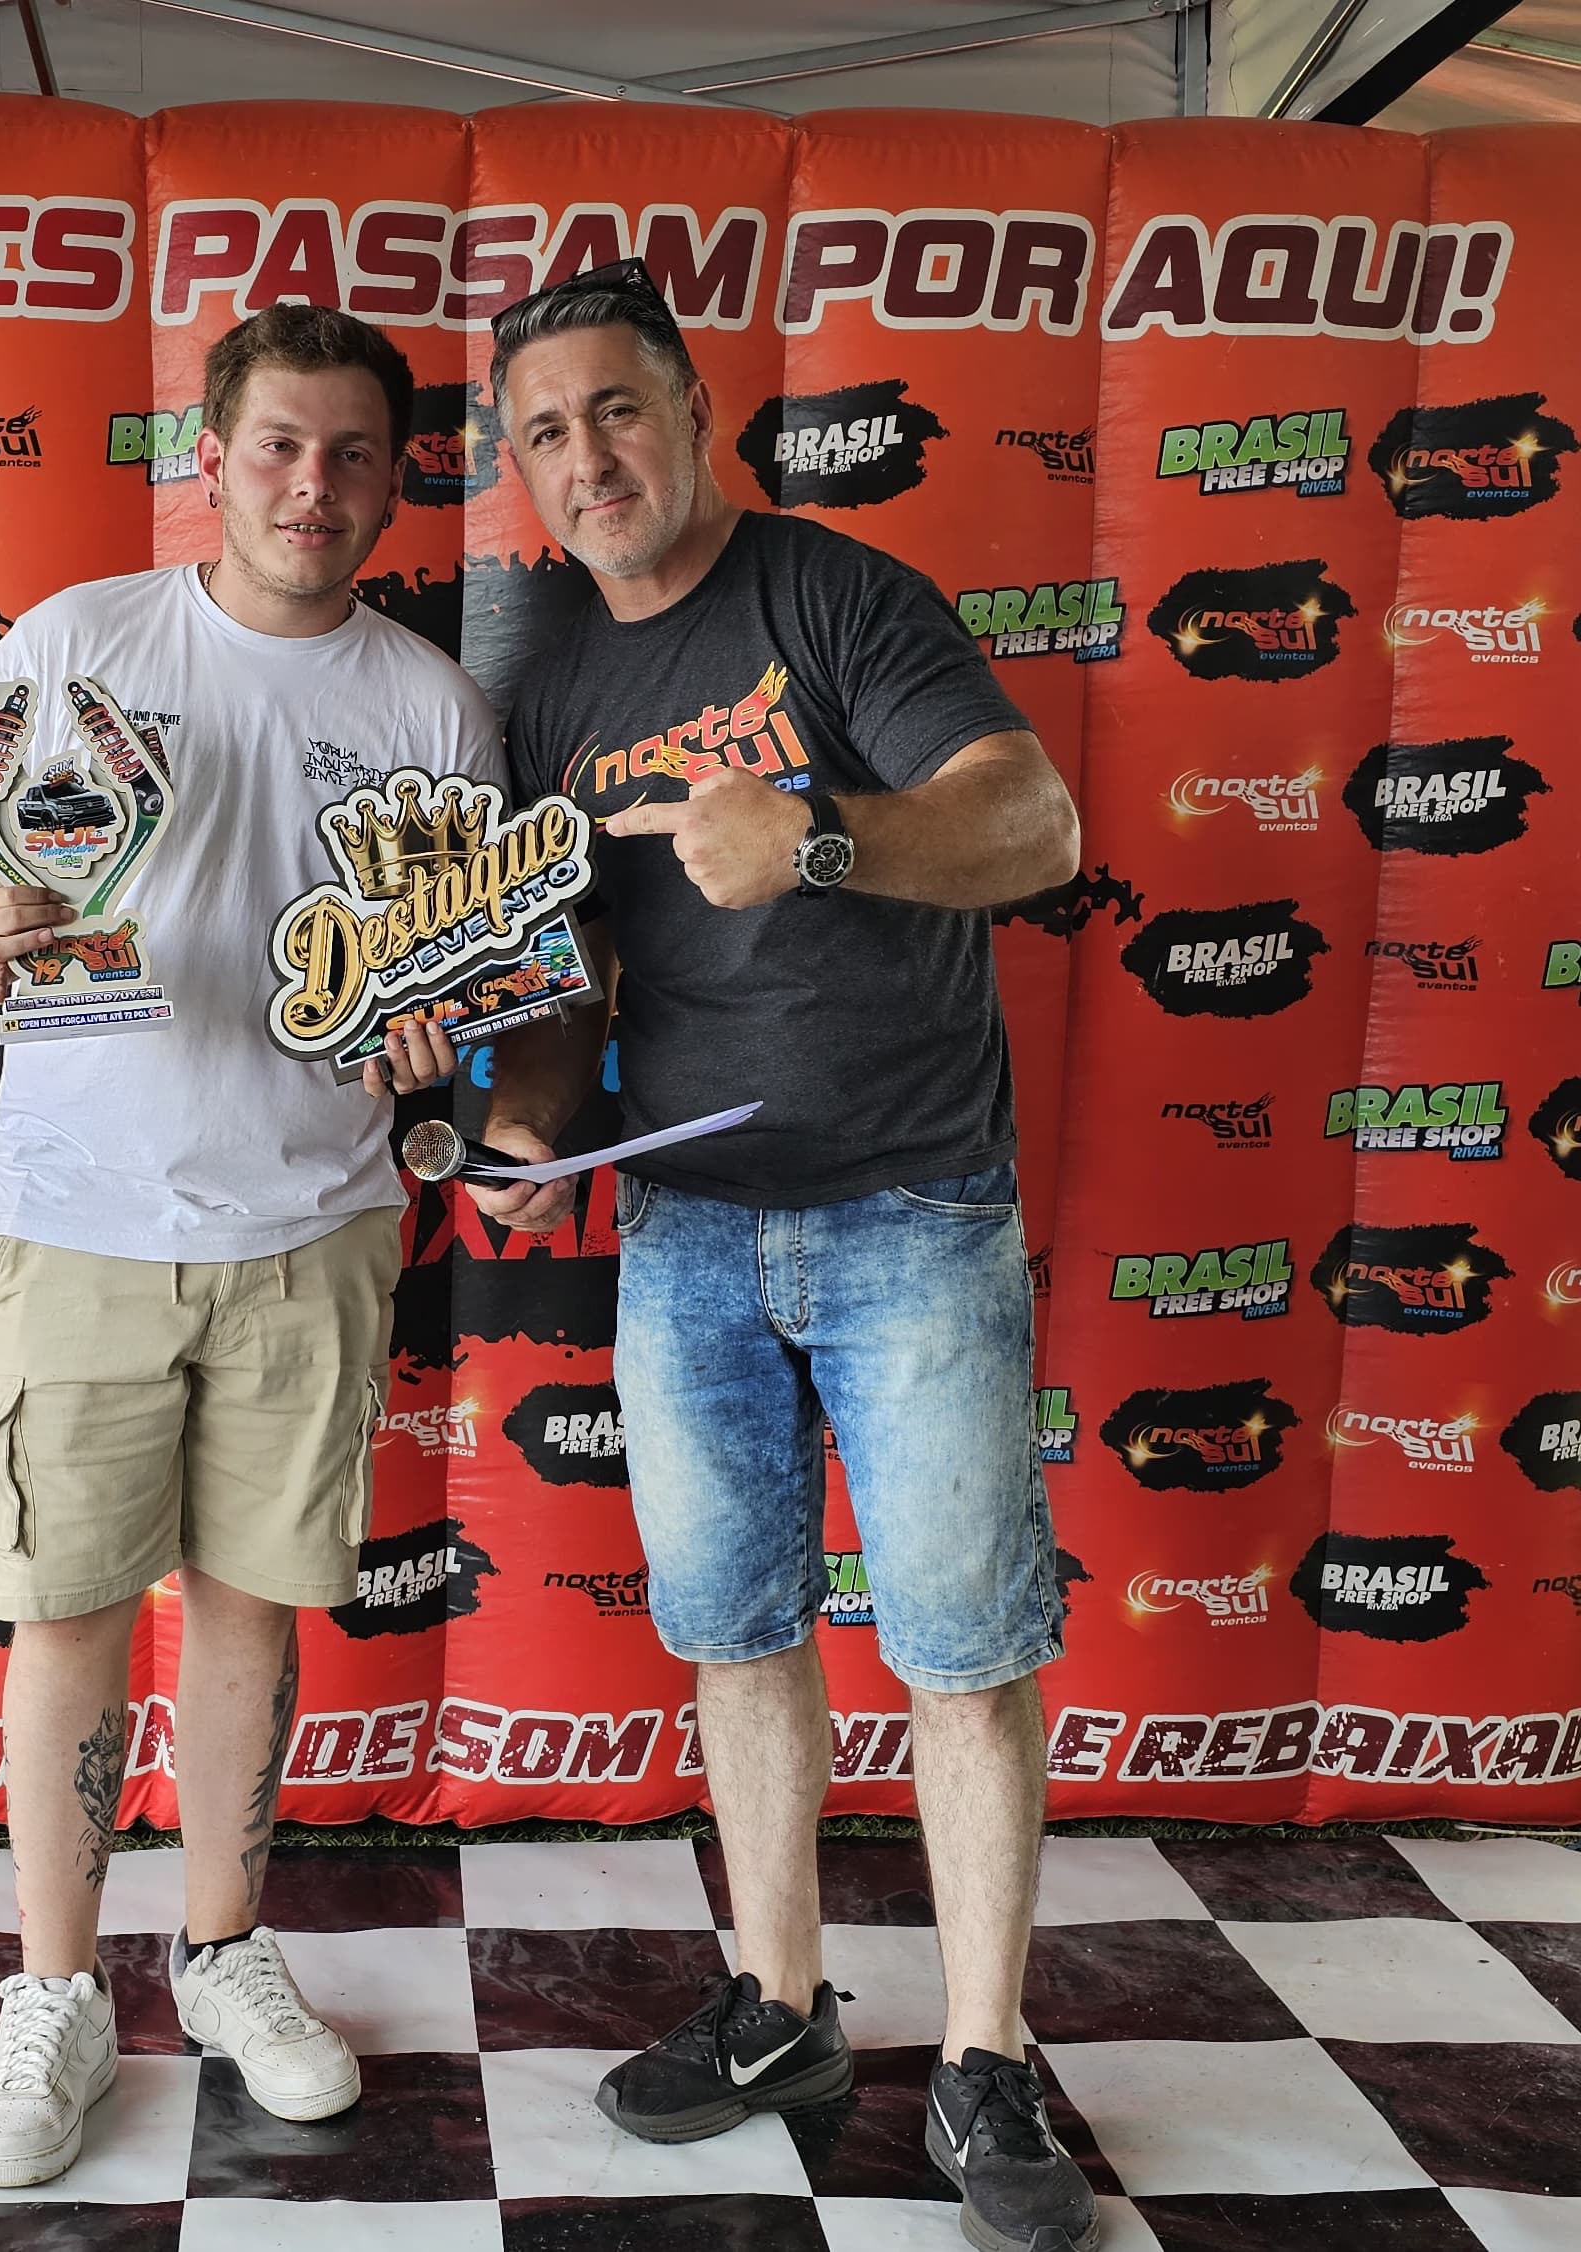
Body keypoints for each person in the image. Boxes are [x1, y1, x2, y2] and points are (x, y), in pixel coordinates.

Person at [458, 259, 1098, 2252]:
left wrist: (814, 835)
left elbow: (1033, 824)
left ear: (694, 408)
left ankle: (984, 2059)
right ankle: (782, 2010)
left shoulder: (837, 598)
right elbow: (565, 974)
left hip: (911, 1210)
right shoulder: (550, 686)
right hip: (686, 1229)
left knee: (960, 1654)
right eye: (543, 432)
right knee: (737, 1633)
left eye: (615, 408)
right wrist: (527, 1127)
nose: (587, 457)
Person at [0, 303, 493, 2191]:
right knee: (67, 1612)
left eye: (354, 455)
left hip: (318, 1223)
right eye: (281, 447)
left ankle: (222, 1949)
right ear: (212, 458)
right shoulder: (83, 640)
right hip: (81, 1212)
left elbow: (459, 964)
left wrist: (438, 1027)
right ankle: (56, 1990)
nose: (315, 486)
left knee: (251, 1602)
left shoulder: (432, 705)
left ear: (397, 482)